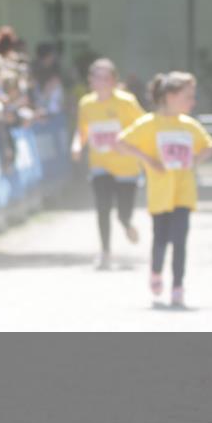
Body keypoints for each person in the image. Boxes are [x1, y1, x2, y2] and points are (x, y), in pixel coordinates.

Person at [116, 72, 212, 308]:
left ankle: (178, 287)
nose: (192, 102)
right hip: (160, 194)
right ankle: (156, 271)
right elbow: (121, 143)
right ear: (170, 96)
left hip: (184, 192)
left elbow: (209, 145)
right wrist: (147, 160)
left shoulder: (189, 125)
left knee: (180, 240)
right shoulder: (150, 124)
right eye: (187, 97)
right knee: (161, 239)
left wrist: (195, 160)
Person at [71, 58, 145, 270]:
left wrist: (125, 141)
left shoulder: (126, 102)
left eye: (106, 78)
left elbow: (143, 126)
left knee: (123, 213)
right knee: (102, 207)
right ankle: (105, 252)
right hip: (100, 164)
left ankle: (127, 224)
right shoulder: (86, 103)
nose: (101, 82)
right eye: (97, 77)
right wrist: (76, 145)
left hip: (126, 167)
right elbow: (82, 130)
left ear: (114, 81)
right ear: (90, 80)